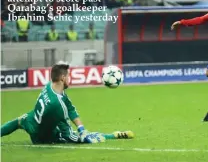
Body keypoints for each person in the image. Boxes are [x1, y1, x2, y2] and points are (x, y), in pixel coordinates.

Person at [1, 62, 134, 144]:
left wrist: (81, 128)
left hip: (31, 121)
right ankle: (114, 135)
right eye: (68, 76)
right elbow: (68, 132)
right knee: (81, 138)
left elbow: (69, 107)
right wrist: (83, 136)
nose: (70, 78)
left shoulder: (50, 86)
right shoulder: (57, 105)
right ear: (63, 78)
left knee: (18, 121)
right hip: (42, 136)